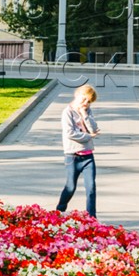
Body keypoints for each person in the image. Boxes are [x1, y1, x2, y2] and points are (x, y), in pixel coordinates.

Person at [55, 83, 101, 218]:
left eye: (89, 101)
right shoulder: (67, 112)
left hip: (88, 156)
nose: (86, 103)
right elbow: (70, 133)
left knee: (91, 188)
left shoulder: (87, 110)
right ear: (77, 95)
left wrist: (84, 114)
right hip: (72, 156)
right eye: (84, 99)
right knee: (70, 187)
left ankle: (92, 217)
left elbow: (94, 128)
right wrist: (88, 137)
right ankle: (59, 211)